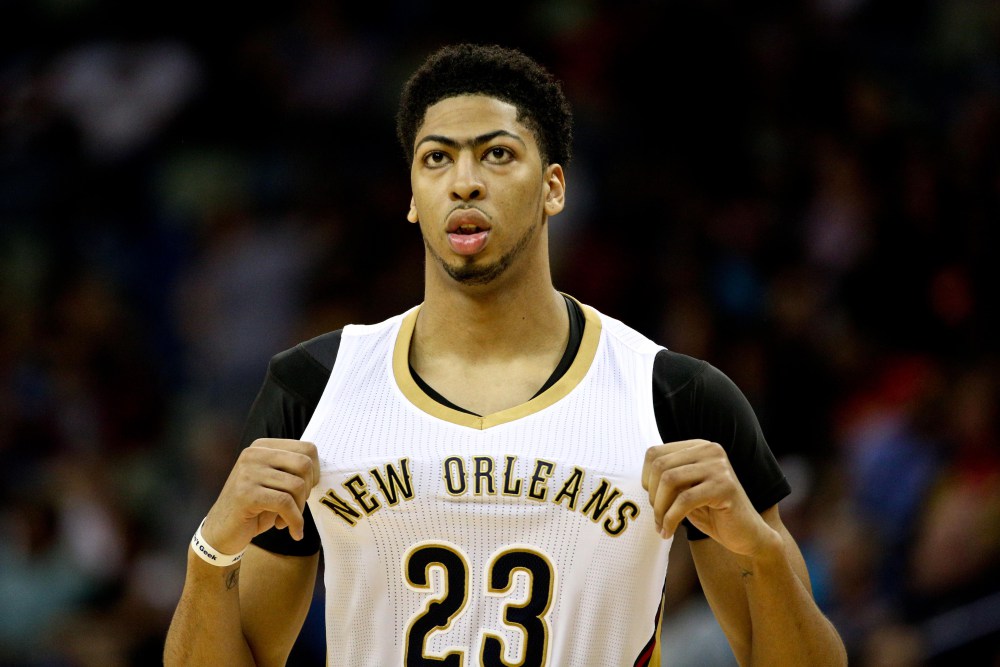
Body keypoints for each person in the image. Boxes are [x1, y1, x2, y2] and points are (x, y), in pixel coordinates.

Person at [164, 43, 847, 666]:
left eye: (496, 154)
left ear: (553, 187)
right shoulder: (313, 388)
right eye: (437, 158)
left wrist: (762, 549)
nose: (464, 182)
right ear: (412, 195)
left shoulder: (675, 395)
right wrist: (208, 555)